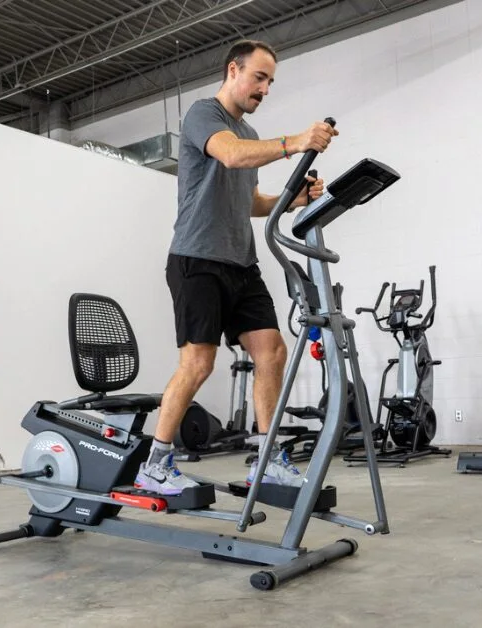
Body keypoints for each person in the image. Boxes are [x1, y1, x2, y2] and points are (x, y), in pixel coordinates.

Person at [134, 39, 339, 496]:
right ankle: (156, 463)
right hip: (198, 259)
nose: (265, 89)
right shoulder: (203, 115)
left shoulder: (250, 135)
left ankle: (267, 460)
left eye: (270, 82)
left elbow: (249, 202)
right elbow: (228, 154)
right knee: (198, 363)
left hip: (242, 263)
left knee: (272, 351)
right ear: (233, 70)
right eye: (259, 77)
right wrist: (296, 142)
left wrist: (292, 200)